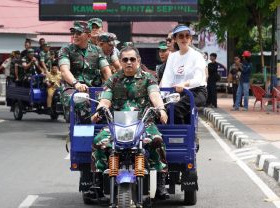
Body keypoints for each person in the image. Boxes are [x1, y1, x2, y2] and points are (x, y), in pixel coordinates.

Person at [86, 46, 169, 200]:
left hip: (144, 123)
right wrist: (99, 111)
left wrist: (161, 109)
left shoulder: (147, 78)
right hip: (117, 124)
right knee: (97, 141)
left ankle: (160, 184)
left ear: (138, 61)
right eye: (125, 59)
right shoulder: (113, 79)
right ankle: (96, 183)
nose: (129, 62)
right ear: (121, 62)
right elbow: (105, 99)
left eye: (132, 59)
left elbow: (155, 95)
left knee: (157, 141)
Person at [58, 21, 111, 123]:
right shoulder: (66, 49)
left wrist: (111, 87)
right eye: (73, 33)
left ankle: (106, 132)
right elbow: (64, 70)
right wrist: (76, 83)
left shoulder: (97, 50)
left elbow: (106, 70)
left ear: (88, 35)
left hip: (93, 89)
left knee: (111, 102)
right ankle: (85, 129)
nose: (75, 36)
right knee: (81, 101)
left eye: (78, 33)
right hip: (72, 88)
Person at [161, 24, 207, 124]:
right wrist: (161, 98)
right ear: (175, 39)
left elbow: (198, 79)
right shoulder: (172, 57)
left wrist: (184, 84)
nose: (184, 39)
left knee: (175, 109)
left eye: (187, 36)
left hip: (196, 92)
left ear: (190, 39)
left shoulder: (197, 56)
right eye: (181, 36)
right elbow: (167, 79)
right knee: (161, 111)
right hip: (178, 93)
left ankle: (180, 137)